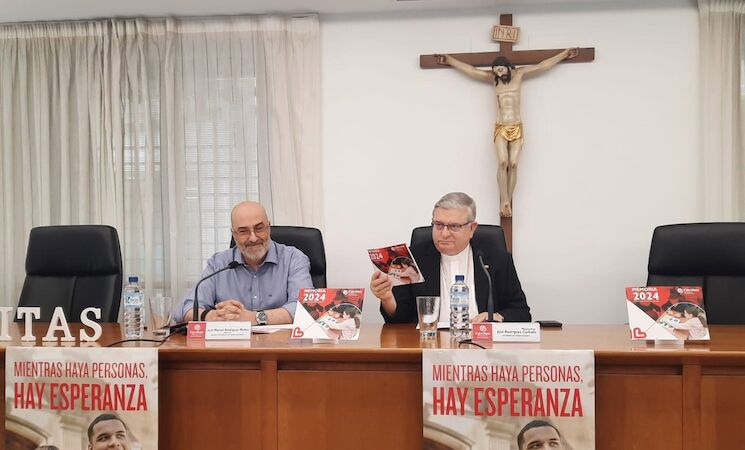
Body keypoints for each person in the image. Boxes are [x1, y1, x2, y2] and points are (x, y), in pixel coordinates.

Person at [437, 49, 578, 218]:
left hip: (516, 126)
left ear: (508, 67)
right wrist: (450, 60)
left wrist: (564, 54)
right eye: (496, 71)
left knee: (514, 163)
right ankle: (504, 199)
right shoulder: (493, 79)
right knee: (503, 162)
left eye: (500, 69)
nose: (498, 73)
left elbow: (543, 66)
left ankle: (508, 200)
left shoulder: (519, 74)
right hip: (501, 126)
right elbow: (471, 71)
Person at [370, 192, 530, 323]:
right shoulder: (413, 259)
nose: (444, 233)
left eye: (454, 226)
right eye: (439, 225)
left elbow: (521, 312)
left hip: (483, 344)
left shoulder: (497, 259)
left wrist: (497, 317)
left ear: (472, 228)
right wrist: (387, 298)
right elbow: (400, 320)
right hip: (428, 343)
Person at [176, 201, 313, 325]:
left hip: (281, 343)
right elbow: (184, 309)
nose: (253, 238)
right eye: (243, 231)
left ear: (269, 228)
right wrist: (212, 316)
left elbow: (305, 308)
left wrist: (254, 318)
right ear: (234, 234)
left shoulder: (293, 259)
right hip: (232, 343)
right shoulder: (219, 264)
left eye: (259, 228)